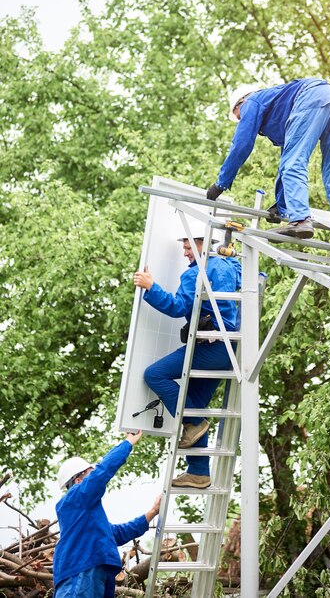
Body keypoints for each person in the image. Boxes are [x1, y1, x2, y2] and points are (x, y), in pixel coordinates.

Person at [133, 233, 241, 489]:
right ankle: (199, 472)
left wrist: (151, 287)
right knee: (195, 407)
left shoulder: (197, 272)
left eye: (188, 247)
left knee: (154, 375)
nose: (185, 253)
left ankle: (192, 424)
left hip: (210, 348)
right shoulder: (229, 265)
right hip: (230, 349)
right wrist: (232, 253)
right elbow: (244, 273)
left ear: (202, 243)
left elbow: (177, 306)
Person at [206, 78, 330, 248]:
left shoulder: (251, 102)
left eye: (240, 117)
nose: (242, 120)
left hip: (314, 96)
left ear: (241, 103)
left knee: (294, 164)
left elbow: (241, 145)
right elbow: (287, 158)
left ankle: (300, 220)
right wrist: (280, 205)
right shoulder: (279, 106)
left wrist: (221, 184)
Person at [53, 430, 161, 598]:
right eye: (90, 471)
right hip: (79, 574)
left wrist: (153, 511)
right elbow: (103, 471)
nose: (94, 474)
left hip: (90, 575)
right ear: (78, 480)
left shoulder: (85, 514)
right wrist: (128, 442)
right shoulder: (74, 499)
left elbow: (117, 533)